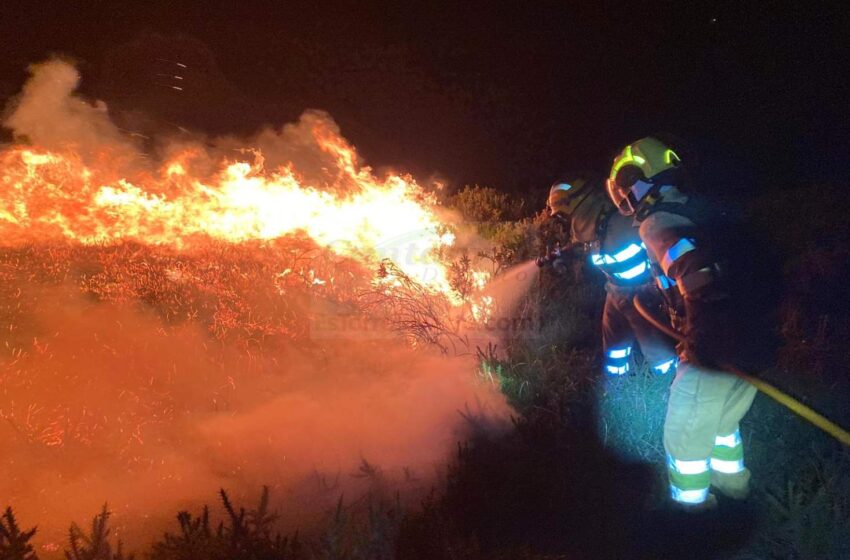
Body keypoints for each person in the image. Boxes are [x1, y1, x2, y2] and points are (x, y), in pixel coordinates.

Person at [605, 137, 756, 509]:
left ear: (635, 182)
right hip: (752, 342)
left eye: (623, 187)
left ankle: (693, 511)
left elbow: (695, 271)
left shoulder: (657, 222)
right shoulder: (697, 208)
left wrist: (701, 342)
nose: (623, 198)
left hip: (715, 346)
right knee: (722, 425)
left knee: (684, 434)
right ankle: (734, 487)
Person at [545, 176, 677, 377]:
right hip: (615, 292)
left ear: (577, 204)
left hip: (643, 292)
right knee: (614, 351)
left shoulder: (626, 221)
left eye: (564, 214)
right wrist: (564, 256)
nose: (565, 220)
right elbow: (584, 246)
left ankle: (669, 384)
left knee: (659, 352)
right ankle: (617, 384)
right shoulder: (590, 230)